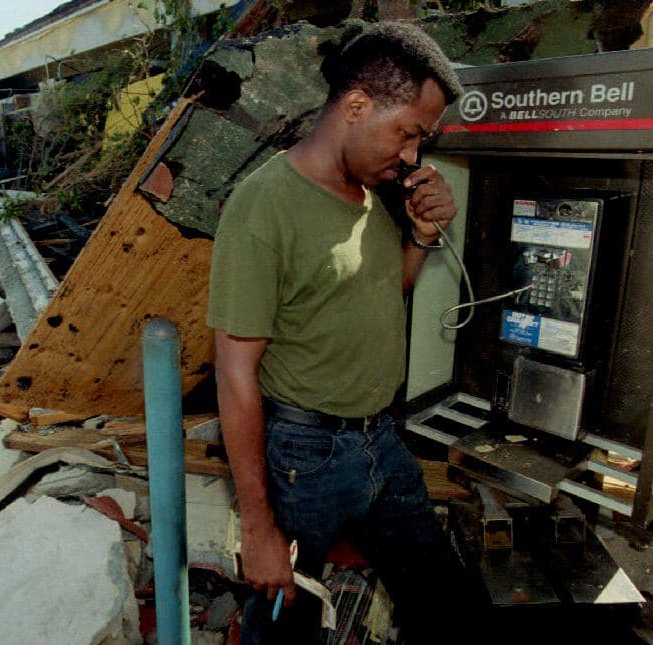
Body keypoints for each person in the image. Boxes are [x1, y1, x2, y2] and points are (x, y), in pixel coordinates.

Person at [208, 23, 466, 643]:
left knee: (443, 598)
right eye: (407, 133)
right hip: (305, 457)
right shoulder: (262, 206)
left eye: (421, 141)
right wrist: (260, 529)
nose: (411, 155)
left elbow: (377, 294)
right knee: (285, 623)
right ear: (354, 106)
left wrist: (423, 239)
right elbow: (235, 373)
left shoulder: (374, 193)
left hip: (381, 440)